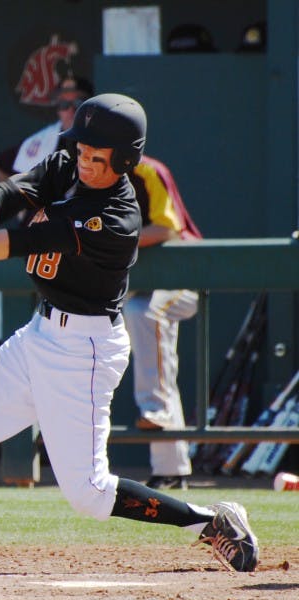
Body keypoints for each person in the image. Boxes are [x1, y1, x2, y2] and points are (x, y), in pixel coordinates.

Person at [0, 94, 258, 574]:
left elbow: (23, 241)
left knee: (90, 493)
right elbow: (4, 199)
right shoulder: (68, 164)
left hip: (84, 351)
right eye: (81, 149)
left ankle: (211, 522)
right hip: (42, 332)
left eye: (96, 156)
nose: (83, 160)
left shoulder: (115, 218)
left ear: (124, 160)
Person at [126, 155, 203, 489]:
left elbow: (167, 228)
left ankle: (155, 409)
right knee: (159, 362)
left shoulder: (146, 170)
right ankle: (171, 468)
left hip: (181, 276)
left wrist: (112, 237)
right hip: (139, 282)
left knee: (143, 313)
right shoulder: (82, 172)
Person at [0, 75, 94, 182]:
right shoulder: (43, 140)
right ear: (58, 109)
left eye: (78, 103)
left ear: (91, 106)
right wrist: (14, 196)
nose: (71, 110)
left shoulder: (102, 137)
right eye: (64, 104)